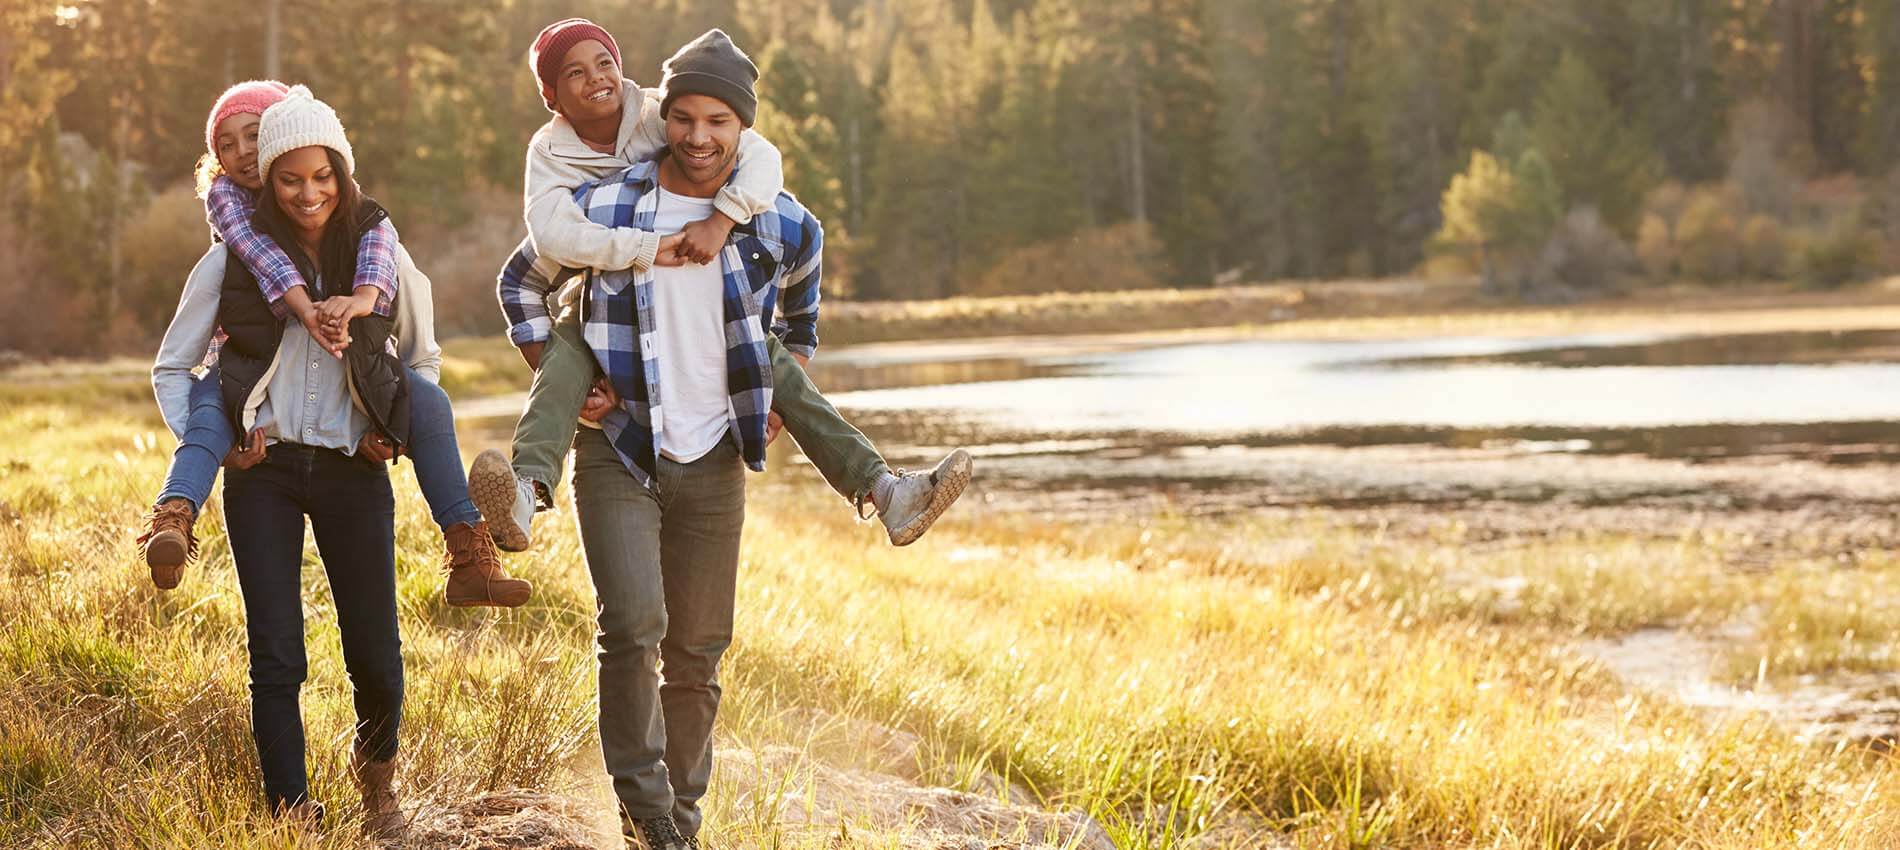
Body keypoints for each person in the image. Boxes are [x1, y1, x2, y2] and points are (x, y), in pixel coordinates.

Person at [471, 20, 971, 561]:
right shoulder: (554, 160)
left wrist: (724, 220)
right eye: (575, 72)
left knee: (768, 356)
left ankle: (885, 491)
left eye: (605, 63)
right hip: (598, 303)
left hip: (710, 312)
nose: (697, 135)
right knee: (568, 352)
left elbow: (761, 159)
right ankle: (527, 491)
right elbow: (543, 242)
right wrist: (567, 377)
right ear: (551, 95)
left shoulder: (664, 115)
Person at [148, 86, 424, 836]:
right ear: (266, 176)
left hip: (351, 470)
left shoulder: (378, 253)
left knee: (375, 648)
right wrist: (227, 441)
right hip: (262, 476)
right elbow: (173, 368)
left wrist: (390, 436)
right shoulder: (229, 264)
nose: (308, 191)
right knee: (276, 652)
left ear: (338, 169)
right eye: (289, 176)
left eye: (322, 174)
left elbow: (419, 360)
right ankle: (291, 812)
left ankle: (379, 792)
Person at [141, 80, 527, 608]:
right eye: (225, 145)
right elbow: (256, 262)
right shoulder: (233, 230)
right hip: (248, 390)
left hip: (350, 439)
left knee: (430, 402)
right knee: (209, 412)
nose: (241, 154)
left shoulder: (371, 229)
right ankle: (174, 515)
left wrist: (387, 420)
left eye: (253, 137)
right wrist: (305, 309)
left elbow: (415, 338)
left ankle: (468, 548)